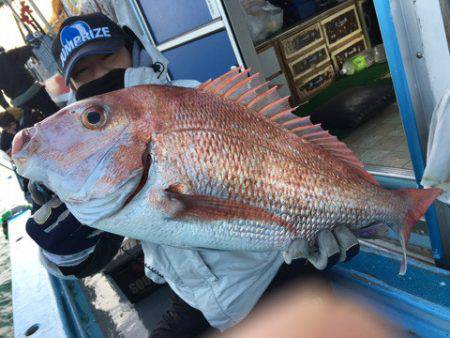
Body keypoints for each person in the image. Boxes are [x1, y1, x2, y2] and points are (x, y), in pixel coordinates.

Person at [26, 13, 361, 337]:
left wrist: (321, 210)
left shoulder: (201, 99)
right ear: (72, 86)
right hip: (192, 298)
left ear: (133, 50)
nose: (100, 73)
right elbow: (92, 244)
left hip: (271, 270)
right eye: (84, 71)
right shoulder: (84, 148)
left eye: (109, 57)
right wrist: (60, 253)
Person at [0, 45, 59, 117]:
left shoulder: (11, 55)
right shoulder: (11, 54)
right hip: (35, 91)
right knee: (54, 114)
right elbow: (29, 49)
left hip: (20, 102)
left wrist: (7, 107)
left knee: (33, 124)